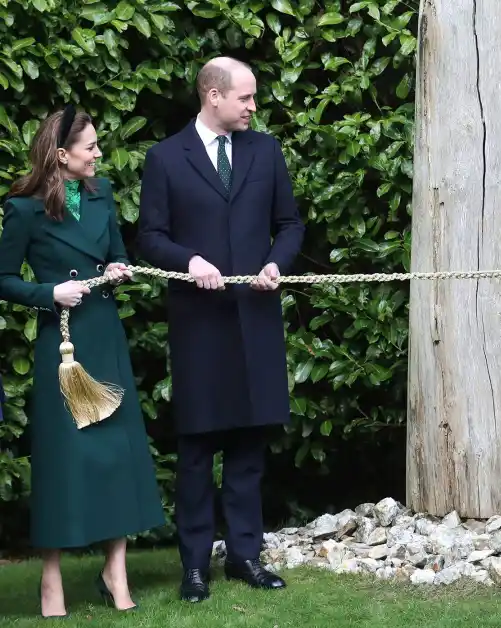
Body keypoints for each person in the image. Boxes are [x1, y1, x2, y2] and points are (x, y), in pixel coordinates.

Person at [136, 56, 305, 603]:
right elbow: (151, 237)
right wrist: (190, 262)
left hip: (254, 320)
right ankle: (193, 567)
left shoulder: (266, 151)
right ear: (213, 96)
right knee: (195, 453)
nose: (254, 107)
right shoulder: (164, 158)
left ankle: (245, 557)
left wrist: (278, 262)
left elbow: (289, 223)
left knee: (248, 448)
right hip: (199, 326)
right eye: (246, 98)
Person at [0, 106, 165, 617]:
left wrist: (118, 269)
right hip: (63, 348)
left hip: (103, 336)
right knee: (61, 459)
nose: (98, 154)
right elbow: (3, 279)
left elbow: (117, 253)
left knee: (114, 454)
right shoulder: (23, 209)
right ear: (59, 153)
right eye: (89, 146)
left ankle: (115, 572)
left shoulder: (103, 192)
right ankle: (51, 579)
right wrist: (50, 291)